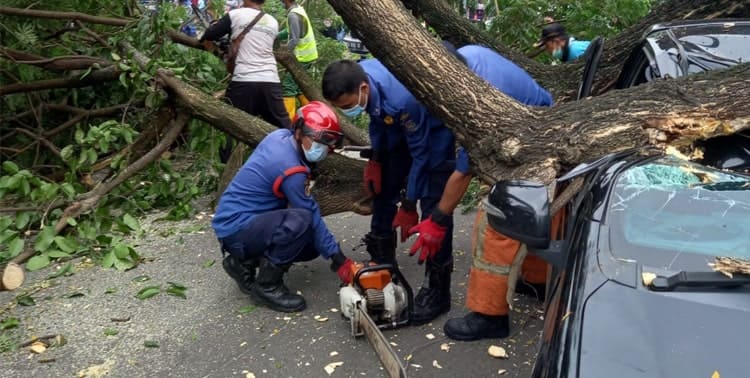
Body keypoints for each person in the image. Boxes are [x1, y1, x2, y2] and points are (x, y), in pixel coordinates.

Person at [407, 44, 555, 341]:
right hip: (544, 129)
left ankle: (489, 316)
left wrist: (438, 217)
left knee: (495, 224)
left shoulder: (480, 101)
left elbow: (464, 171)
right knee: (536, 216)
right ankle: (537, 282)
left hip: (534, 143)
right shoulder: (470, 57)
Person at [322, 59, 457, 325]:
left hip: (433, 131)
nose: (349, 111)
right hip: (395, 124)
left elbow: (421, 154)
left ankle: (438, 291)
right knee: (382, 184)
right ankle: (382, 257)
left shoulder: (402, 98)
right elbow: (376, 122)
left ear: (363, 88)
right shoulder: (361, 79)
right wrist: (375, 161)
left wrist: (408, 207)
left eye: (349, 106)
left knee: (434, 202)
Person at [212, 101, 355, 313]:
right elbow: (311, 214)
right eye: (317, 141)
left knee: (310, 245)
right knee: (302, 221)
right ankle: (267, 286)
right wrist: (339, 259)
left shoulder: (279, 137)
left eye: (328, 142)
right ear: (298, 132)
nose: (323, 148)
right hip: (238, 228)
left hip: (241, 224)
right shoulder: (291, 169)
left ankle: (242, 263)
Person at [200, 0, 291, 163]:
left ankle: (226, 170)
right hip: (270, 81)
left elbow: (209, 35)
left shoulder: (235, 15)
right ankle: (298, 163)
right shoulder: (272, 21)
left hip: (244, 81)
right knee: (284, 130)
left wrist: (219, 49)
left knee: (230, 130)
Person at [279, 0, 319, 120]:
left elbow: (294, 39)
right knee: (299, 87)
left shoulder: (293, 15)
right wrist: (276, 34)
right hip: (308, 56)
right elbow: (290, 31)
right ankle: (312, 117)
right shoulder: (299, 10)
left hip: (302, 57)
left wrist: (282, 53)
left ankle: (288, 122)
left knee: (288, 87)